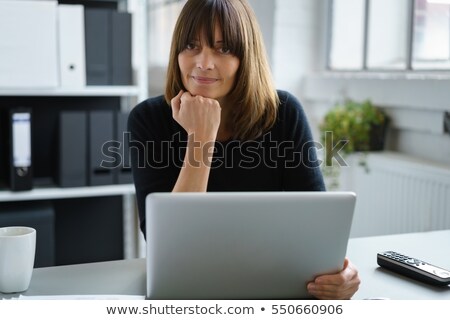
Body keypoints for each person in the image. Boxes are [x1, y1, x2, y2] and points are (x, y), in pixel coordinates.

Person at [128, 0, 360, 300]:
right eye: (191, 46)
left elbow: (317, 227)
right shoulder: (149, 119)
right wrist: (201, 136)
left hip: (278, 286)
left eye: (223, 49)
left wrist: (339, 274)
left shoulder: (283, 112)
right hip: (190, 290)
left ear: (246, 57)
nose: (204, 63)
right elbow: (170, 246)